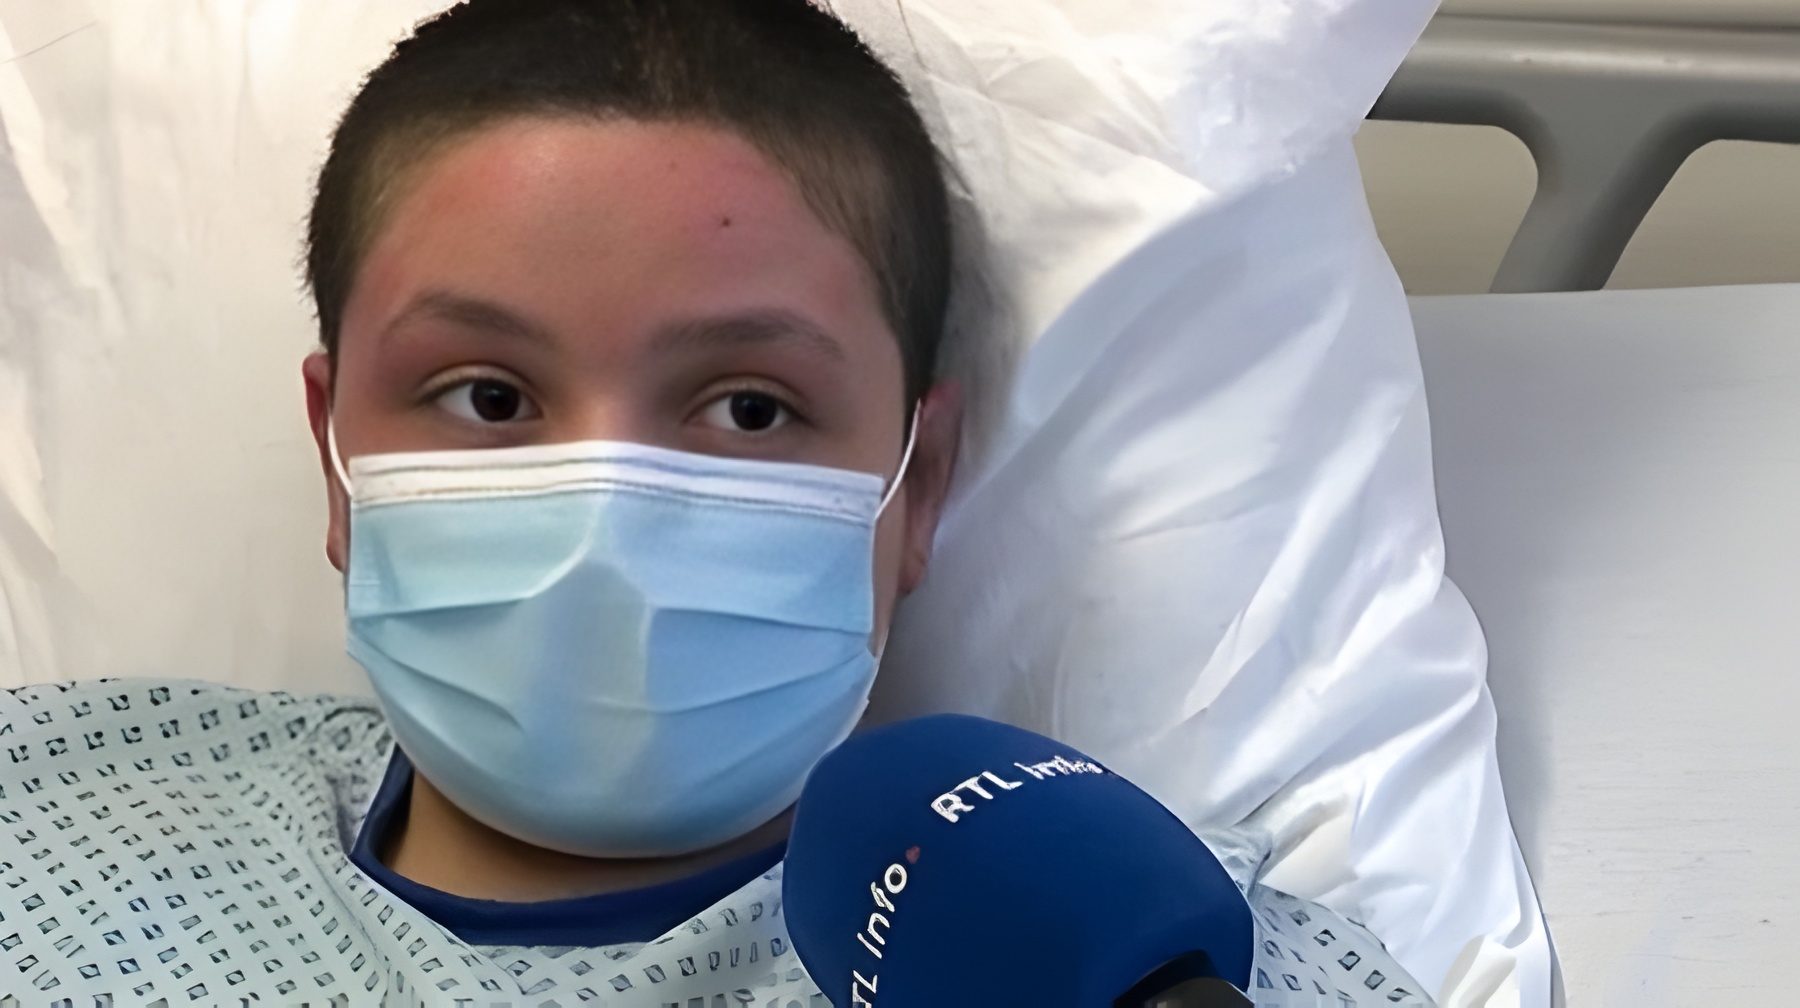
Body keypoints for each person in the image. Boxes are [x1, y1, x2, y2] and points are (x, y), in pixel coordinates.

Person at [0, 1, 1431, 1003]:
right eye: (487, 395)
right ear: (337, 463)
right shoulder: (52, 797)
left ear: (917, 485)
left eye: (750, 408)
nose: (603, 522)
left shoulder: (1156, 957)